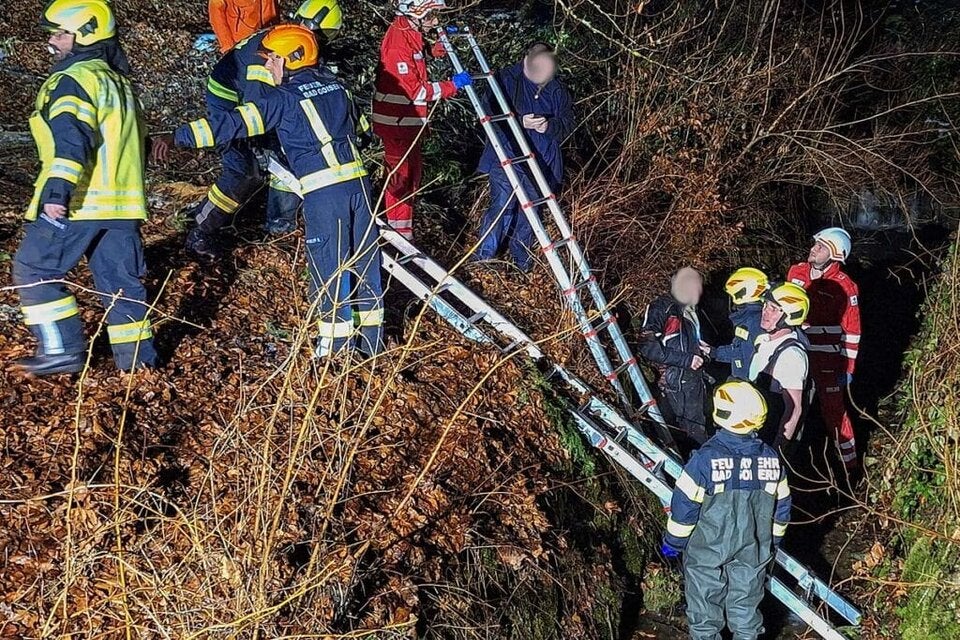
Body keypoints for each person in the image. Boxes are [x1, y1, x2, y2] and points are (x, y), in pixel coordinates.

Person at [155, 25, 384, 357]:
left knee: (329, 269)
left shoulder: (283, 100)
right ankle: (370, 346)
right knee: (364, 263)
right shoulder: (338, 87)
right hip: (360, 189)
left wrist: (175, 137)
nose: (266, 67)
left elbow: (229, 125)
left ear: (291, 59)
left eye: (272, 60)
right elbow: (362, 130)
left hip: (324, 193)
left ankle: (333, 352)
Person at [10, 0, 157, 376]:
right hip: (123, 208)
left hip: (80, 201)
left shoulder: (72, 80)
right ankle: (139, 370)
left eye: (60, 33)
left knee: (34, 268)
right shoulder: (121, 83)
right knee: (123, 288)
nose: (52, 42)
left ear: (85, 35)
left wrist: (57, 191)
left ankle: (60, 350)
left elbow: (71, 140)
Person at [186, 0, 343, 260]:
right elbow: (256, 106)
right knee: (244, 170)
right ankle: (201, 231)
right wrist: (256, 140)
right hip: (230, 99)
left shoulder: (295, 43)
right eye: (323, 35)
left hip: (256, 98)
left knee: (285, 155)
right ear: (310, 27)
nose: (322, 43)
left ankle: (279, 225)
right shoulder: (275, 50)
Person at [661, 381, 792, 640]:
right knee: (746, 611)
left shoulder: (704, 460)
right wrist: (773, 541)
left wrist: (672, 543)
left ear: (720, 414)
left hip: (707, 551)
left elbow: (684, 507)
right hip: (753, 549)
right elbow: (783, 507)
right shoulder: (771, 459)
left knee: (705, 614)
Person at [372, 0, 472, 240]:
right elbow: (416, 91)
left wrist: (434, 49)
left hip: (409, 124)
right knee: (400, 182)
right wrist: (452, 86)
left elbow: (416, 58)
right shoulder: (398, 43)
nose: (435, 21)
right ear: (414, 14)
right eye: (430, 16)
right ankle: (398, 237)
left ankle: (404, 235)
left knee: (412, 178)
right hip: (396, 125)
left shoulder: (409, 33)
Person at [473, 42, 575, 272]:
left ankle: (522, 262)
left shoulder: (556, 88)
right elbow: (487, 115)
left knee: (531, 213)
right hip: (507, 154)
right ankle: (483, 259)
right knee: (501, 204)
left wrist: (548, 126)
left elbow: (568, 122)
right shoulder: (505, 80)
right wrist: (519, 122)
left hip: (543, 161)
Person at [788, 227, 861, 469]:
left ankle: (848, 466)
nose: (813, 249)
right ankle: (787, 458)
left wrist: (848, 368)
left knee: (833, 411)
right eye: (814, 244)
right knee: (790, 405)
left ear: (835, 255)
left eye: (820, 247)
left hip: (827, 360)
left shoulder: (845, 286)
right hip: (795, 352)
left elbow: (852, 330)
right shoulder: (796, 272)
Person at [639, 267, 710, 447]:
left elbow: (685, 342)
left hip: (693, 382)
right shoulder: (663, 308)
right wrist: (687, 360)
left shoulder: (689, 309)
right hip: (675, 383)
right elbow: (647, 347)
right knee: (689, 435)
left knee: (697, 429)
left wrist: (703, 352)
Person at [748, 282, 811, 451]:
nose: (765, 312)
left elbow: (794, 409)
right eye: (765, 305)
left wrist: (776, 452)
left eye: (774, 309)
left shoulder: (791, 356)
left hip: (769, 440)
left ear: (791, 315)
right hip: (754, 436)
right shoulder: (766, 341)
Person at [714, 267, 769, 381]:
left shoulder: (755, 321)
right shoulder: (748, 318)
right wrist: (713, 352)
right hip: (743, 380)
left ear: (741, 293)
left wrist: (715, 352)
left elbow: (746, 355)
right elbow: (741, 350)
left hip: (749, 383)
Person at [208, 0, 278, 53]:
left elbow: (271, 10)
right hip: (240, 44)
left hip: (267, 40)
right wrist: (228, 46)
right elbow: (216, 16)